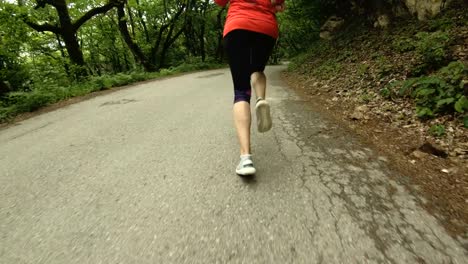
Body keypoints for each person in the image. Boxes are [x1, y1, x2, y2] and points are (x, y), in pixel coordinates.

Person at [214, 0, 286, 176]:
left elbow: (219, 2)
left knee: (241, 91)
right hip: (266, 28)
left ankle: (246, 158)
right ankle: (261, 99)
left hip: (238, 25)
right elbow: (279, 6)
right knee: (257, 69)